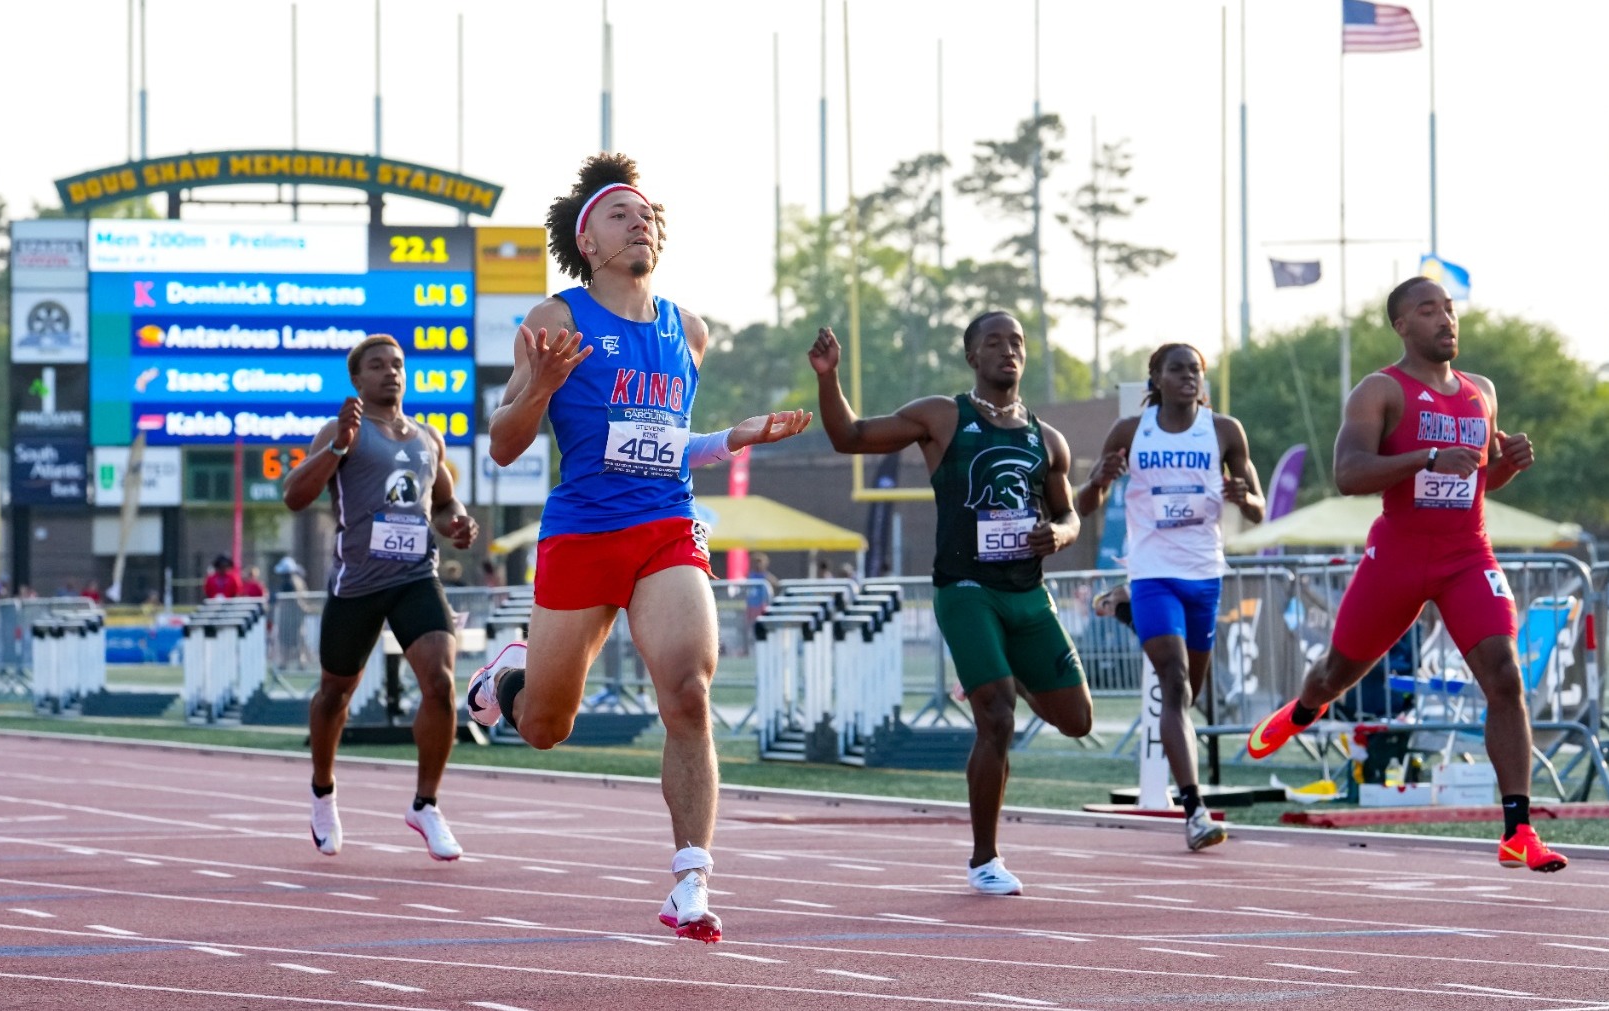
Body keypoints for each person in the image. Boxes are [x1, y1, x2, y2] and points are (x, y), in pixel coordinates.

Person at [464, 154, 811, 942]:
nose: (641, 221)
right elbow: (503, 444)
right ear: (588, 241)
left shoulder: (686, 329)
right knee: (547, 727)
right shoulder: (554, 321)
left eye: (648, 212)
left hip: (663, 526)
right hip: (582, 530)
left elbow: (666, 444)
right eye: (621, 214)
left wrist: (732, 438)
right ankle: (508, 676)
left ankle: (690, 877)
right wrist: (544, 385)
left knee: (687, 690)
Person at [1245, 277, 1566, 873]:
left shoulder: (1482, 392)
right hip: (1397, 557)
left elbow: (1478, 479)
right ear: (1402, 325)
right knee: (1337, 672)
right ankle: (1302, 712)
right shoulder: (1379, 391)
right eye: (1429, 310)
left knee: (1504, 676)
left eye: (1449, 309)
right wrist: (1424, 456)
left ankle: (1518, 829)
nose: (1446, 319)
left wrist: (1507, 468)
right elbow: (1348, 473)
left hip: (1467, 555)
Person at [808, 312, 1094, 896]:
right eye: (994, 342)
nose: (1008, 350)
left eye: (1016, 341)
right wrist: (828, 377)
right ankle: (985, 858)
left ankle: (1001, 672)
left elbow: (1068, 514)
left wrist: (1061, 534)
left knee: (1077, 721)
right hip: (965, 589)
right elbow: (851, 437)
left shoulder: (1048, 439)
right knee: (996, 717)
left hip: (1028, 593)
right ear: (972, 356)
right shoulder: (943, 416)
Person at [283, 334, 479, 863]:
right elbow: (295, 496)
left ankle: (426, 804)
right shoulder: (341, 430)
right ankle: (323, 792)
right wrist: (339, 446)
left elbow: (441, 502)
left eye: (397, 364)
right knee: (334, 695)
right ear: (357, 379)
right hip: (358, 583)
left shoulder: (426, 437)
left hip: (416, 575)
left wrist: (455, 523)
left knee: (439, 683)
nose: (391, 373)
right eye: (377, 366)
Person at [1076, 342, 1265, 851]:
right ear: (1155, 379)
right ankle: (1195, 810)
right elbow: (1084, 502)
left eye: (1196, 370)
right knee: (1175, 683)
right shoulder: (1131, 432)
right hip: (1153, 570)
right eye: (1177, 370)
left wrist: (1243, 496)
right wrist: (1099, 480)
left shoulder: (1225, 431)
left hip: (1204, 574)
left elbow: (1259, 510)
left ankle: (1125, 610)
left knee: (1189, 695)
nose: (1189, 378)